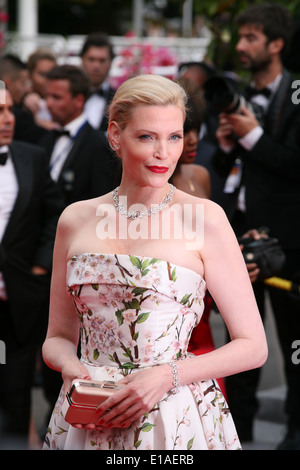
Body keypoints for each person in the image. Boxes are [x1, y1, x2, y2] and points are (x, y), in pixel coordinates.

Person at [41, 74, 267, 451]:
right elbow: (57, 338)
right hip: (89, 411)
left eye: (174, 137)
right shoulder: (75, 219)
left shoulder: (205, 219)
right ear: (116, 136)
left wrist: (167, 376)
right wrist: (72, 368)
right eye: (147, 137)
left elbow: (253, 345)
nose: (164, 152)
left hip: (172, 415)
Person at [212, 4, 300, 449]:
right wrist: (229, 146)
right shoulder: (237, 94)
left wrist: (252, 137)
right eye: (240, 37)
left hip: (290, 244)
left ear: (276, 43)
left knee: (293, 347)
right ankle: (236, 436)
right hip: (239, 240)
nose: (241, 45)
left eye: (250, 37)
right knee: (239, 348)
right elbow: (230, 170)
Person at [0, 89, 64, 448]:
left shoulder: (31, 157)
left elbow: (55, 214)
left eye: (9, 110)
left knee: (17, 387)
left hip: (19, 299)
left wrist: (41, 266)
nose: (8, 118)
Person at [39, 64, 117, 206]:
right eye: (47, 96)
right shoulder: (44, 139)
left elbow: (100, 201)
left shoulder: (99, 145)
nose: (48, 104)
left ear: (79, 100)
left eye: (56, 97)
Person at [0, 54, 48, 144]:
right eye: (23, 83)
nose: (27, 88)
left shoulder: (25, 104)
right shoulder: (21, 117)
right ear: (8, 84)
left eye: (10, 109)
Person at [80, 33, 116, 131]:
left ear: (111, 62)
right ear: (82, 60)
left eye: (102, 60)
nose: (96, 66)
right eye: (91, 59)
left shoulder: (118, 99)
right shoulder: (69, 94)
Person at [24, 48, 58, 130]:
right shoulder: (22, 102)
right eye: (42, 74)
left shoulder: (63, 101)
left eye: (52, 74)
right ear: (30, 75)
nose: (47, 79)